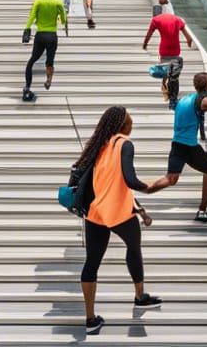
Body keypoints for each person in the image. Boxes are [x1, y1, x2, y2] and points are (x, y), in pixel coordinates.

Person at [74, 104, 162, 336]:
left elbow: (112, 184)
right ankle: (140, 296)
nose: (132, 123)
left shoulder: (99, 146)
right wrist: (151, 188)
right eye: (130, 120)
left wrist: (140, 209)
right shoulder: (124, 143)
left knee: (91, 263)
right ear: (123, 124)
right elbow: (130, 180)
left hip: (96, 212)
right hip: (118, 213)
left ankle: (90, 318)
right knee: (134, 249)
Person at [149, 71, 207, 222]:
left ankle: (143, 188)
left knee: (171, 179)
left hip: (177, 144)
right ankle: (202, 211)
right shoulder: (205, 98)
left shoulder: (185, 99)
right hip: (189, 146)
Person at [22, 0, 67, 102]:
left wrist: (27, 29)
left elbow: (32, 16)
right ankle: (48, 79)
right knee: (50, 61)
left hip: (40, 35)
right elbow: (63, 18)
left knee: (32, 60)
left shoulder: (39, 1)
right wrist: (62, 20)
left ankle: (27, 85)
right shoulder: (58, 1)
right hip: (52, 35)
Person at [142, 4, 193, 107]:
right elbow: (189, 37)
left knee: (166, 72)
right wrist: (189, 43)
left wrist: (145, 44)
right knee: (174, 77)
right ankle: (173, 100)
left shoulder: (155, 20)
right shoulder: (177, 19)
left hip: (164, 51)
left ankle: (166, 90)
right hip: (175, 50)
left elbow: (149, 34)